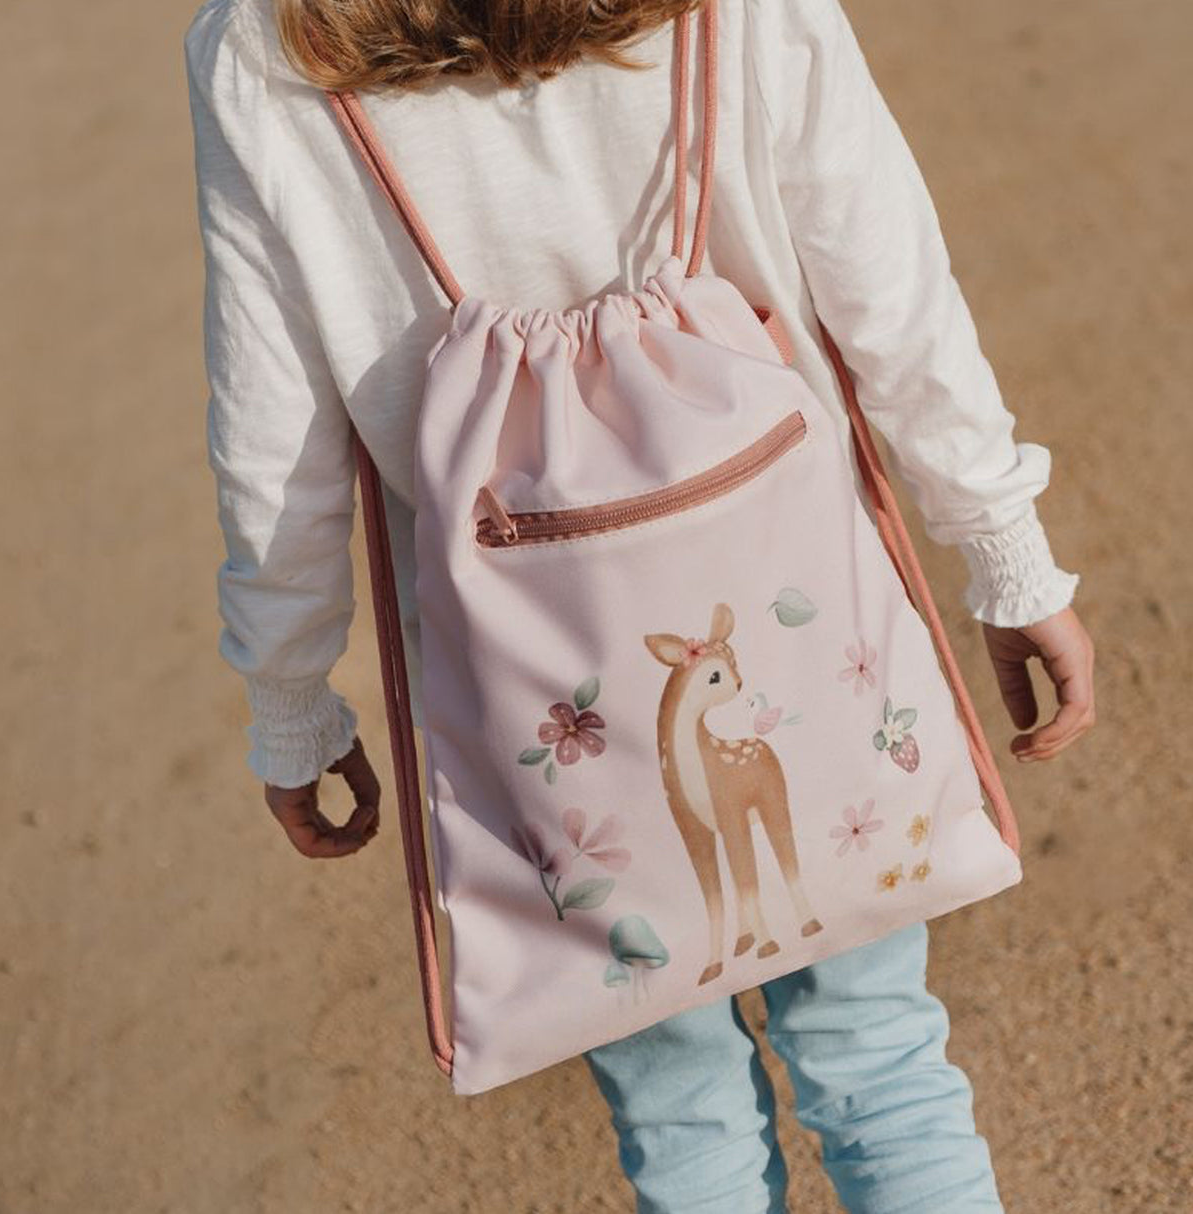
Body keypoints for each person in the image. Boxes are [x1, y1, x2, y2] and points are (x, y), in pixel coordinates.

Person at [183, 0, 1095, 1208]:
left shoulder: (265, 42)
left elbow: (272, 435)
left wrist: (292, 699)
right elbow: (884, 270)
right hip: (803, 618)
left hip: (532, 694)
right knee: (882, 1064)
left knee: (679, 1120)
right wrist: (1000, 543)